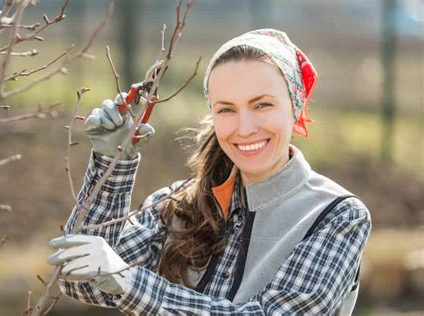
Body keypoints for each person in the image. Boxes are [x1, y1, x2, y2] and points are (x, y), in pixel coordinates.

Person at [47, 28, 372, 315]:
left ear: (295, 107)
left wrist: (130, 281)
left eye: (262, 105)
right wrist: (112, 165)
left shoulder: (337, 216)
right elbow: (82, 282)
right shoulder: (177, 203)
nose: (245, 128)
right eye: (227, 109)